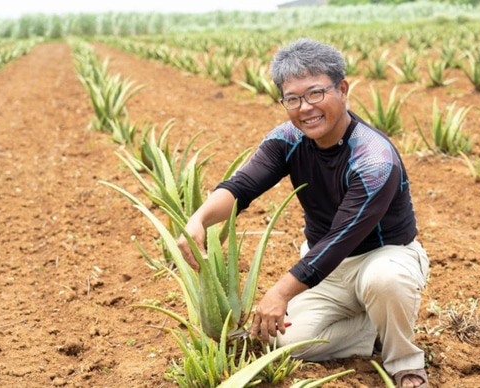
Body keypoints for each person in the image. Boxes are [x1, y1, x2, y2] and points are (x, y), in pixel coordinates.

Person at [177, 38, 430, 388]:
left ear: (342, 89)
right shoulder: (288, 138)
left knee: (384, 280)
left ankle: (404, 362)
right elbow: (242, 186)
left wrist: (280, 293)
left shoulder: (374, 159)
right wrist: (198, 220)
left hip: (384, 256)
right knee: (286, 342)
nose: (305, 108)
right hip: (328, 270)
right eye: (292, 99)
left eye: (315, 94)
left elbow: (341, 238)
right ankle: (373, 328)